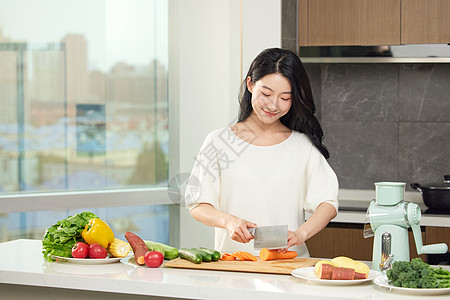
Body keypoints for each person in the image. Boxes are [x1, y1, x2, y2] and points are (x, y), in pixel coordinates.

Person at [185, 48, 339, 257]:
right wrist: (228, 221)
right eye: (266, 94)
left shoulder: (302, 146)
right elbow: (197, 204)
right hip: (235, 268)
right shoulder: (219, 142)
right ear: (250, 84)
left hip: (288, 268)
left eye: (285, 98)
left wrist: (301, 234)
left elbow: (327, 203)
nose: (273, 105)